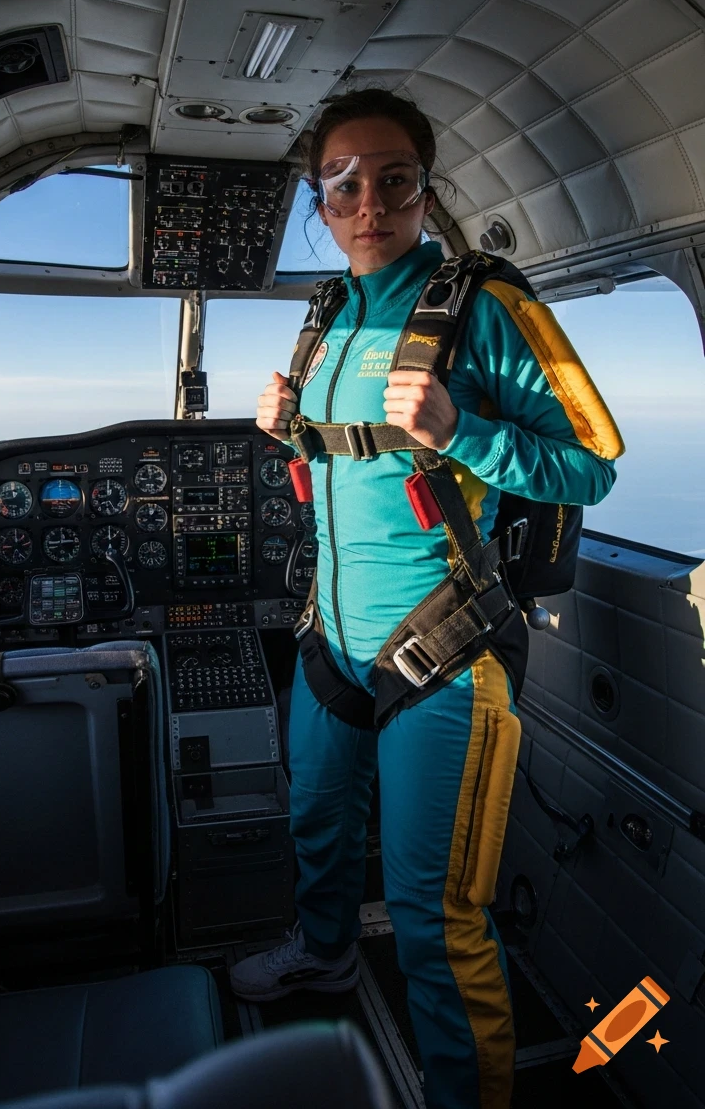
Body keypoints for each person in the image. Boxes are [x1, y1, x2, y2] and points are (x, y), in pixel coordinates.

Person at [231, 88, 623, 1109]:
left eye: (393, 178)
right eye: (344, 182)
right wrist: (286, 427)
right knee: (314, 823)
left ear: (424, 187)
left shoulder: (483, 305)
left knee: (434, 913)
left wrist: (462, 432)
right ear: (317, 200)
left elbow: (589, 467)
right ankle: (321, 954)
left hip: (443, 649)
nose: (370, 202)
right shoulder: (322, 316)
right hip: (330, 639)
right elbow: (344, 468)